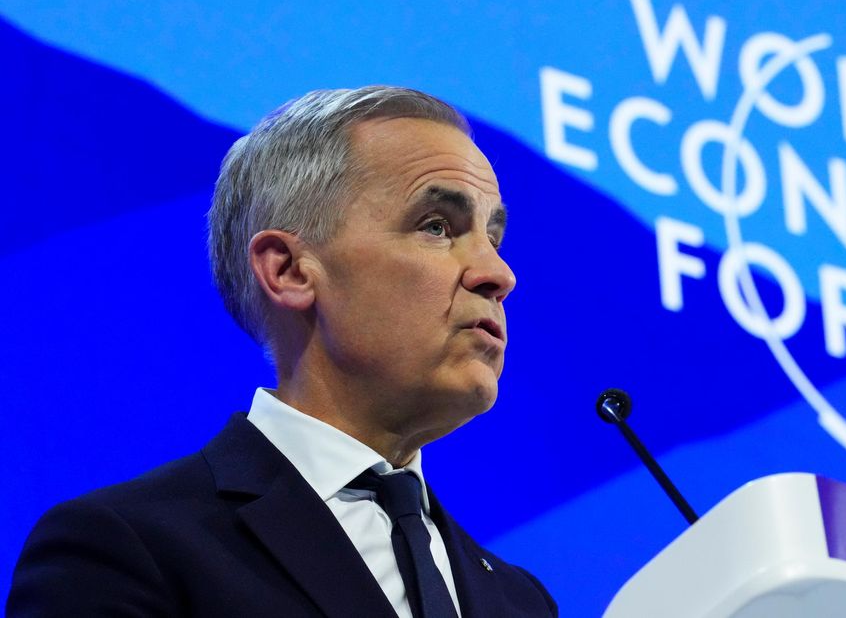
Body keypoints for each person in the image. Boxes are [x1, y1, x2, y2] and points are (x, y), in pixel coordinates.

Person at [8, 86, 557, 617]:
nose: (499, 274)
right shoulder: (129, 548)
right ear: (289, 270)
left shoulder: (523, 602)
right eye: (437, 227)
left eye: (493, 239)